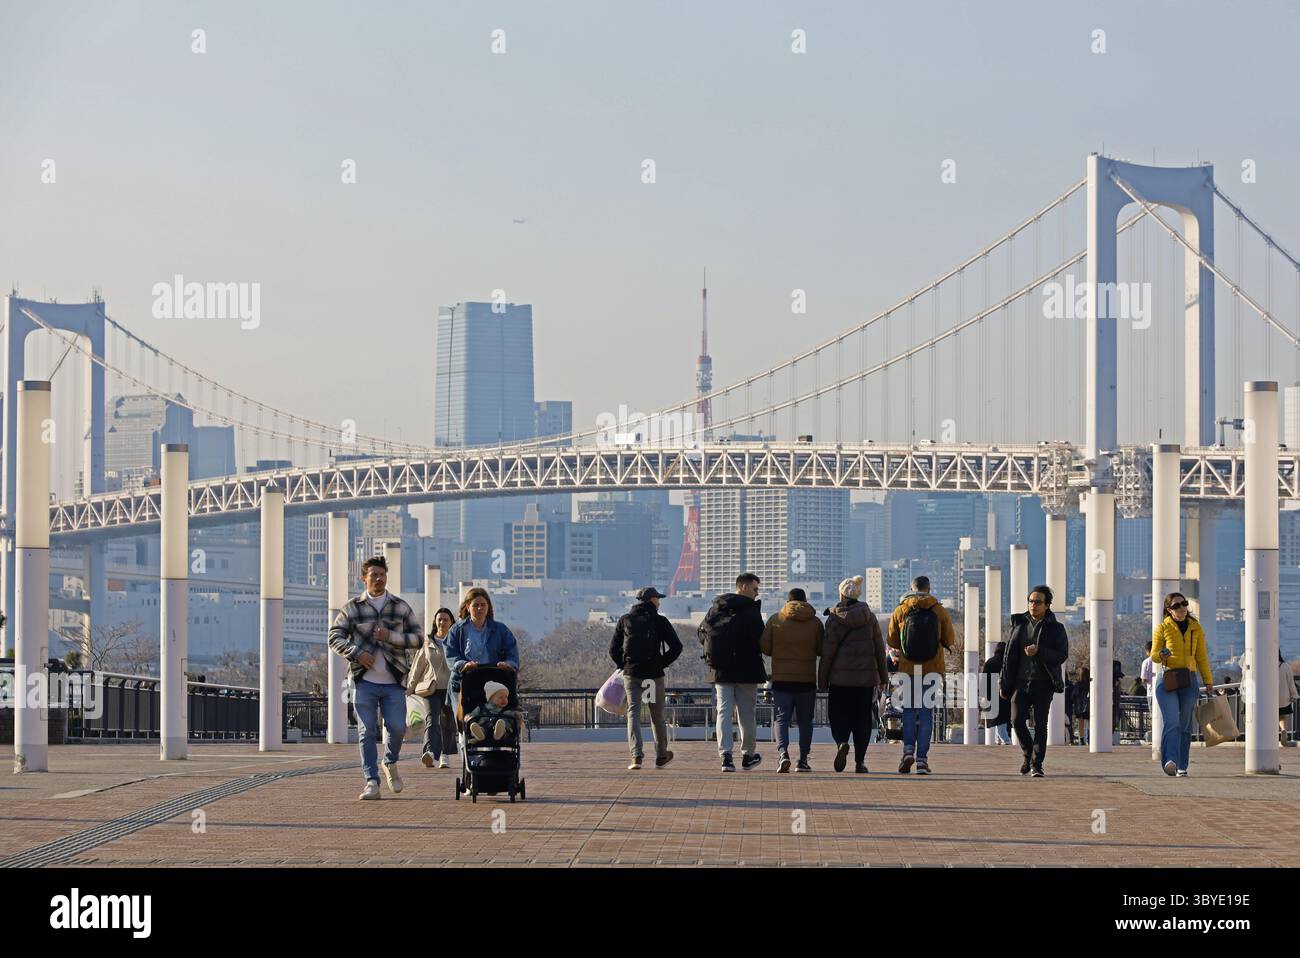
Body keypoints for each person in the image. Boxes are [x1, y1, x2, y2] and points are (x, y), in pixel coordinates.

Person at [327, 555, 424, 800]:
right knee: (366, 730)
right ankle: (371, 781)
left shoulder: (400, 607)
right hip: (363, 681)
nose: (379, 579)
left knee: (398, 727)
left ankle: (389, 761)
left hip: (394, 680)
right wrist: (357, 654)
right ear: (364, 578)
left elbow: (419, 639)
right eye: (374, 575)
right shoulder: (352, 608)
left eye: (382, 575)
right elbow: (334, 637)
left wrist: (389, 636)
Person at [818, 575, 888, 774]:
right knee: (863, 720)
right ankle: (860, 761)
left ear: (841, 593)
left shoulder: (834, 618)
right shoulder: (870, 617)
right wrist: (883, 678)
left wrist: (822, 681)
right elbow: (879, 650)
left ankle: (841, 742)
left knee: (838, 715)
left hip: (840, 681)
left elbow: (827, 653)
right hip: (865, 681)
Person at [887, 575, 957, 774]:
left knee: (909, 710)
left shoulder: (901, 609)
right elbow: (949, 638)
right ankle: (922, 761)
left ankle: (908, 750)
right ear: (929, 588)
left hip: (908, 669)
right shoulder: (938, 609)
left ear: (912, 588)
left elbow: (892, 641)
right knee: (926, 712)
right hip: (932, 669)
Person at [999, 584, 1069, 777]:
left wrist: (1040, 652)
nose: (1033, 605)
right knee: (1016, 720)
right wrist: (1004, 682)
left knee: (1040, 724)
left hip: (1043, 683)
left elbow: (1062, 655)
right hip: (1020, 682)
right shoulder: (1019, 624)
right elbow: (1008, 655)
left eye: (1038, 602)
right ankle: (1028, 754)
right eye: (1031, 601)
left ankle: (1037, 764)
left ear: (1047, 605)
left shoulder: (1056, 628)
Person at [699, 572, 767, 772]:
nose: (757, 593)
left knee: (723, 711)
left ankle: (726, 756)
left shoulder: (717, 607)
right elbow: (760, 640)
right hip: (747, 670)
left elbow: (702, 634)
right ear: (744, 587)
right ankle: (748, 755)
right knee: (747, 714)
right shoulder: (751, 611)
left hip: (721, 669)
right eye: (755, 589)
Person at [610, 586, 683, 770]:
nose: (659, 602)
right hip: (652, 676)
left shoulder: (625, 620)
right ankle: (661, 755)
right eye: (658, 599)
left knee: (633, 713)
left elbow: (613, 649)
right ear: (652, 600)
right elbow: (677, 647)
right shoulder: (659, 621)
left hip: (632, 674)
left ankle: (636, 756)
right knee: (656, 715)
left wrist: (624, 664)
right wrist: (661, 663)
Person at [1150, 591, 1213, 777]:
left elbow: (1201, 657)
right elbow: (1153, 655)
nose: (1182, 608)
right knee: (1172, 722)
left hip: (1189, 679)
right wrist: (1162, 654)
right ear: (1169, 610)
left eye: (1184, 603)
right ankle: (1170, 761)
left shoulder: (1196, 628)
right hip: (1168, 679)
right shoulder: (1162, 628)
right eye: (1177, 605)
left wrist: (1208, 681)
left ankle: (1182, 765)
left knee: (1185, 725)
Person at [761, 587, 824, 772]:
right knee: (806, 721)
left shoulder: (775, 619)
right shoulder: (815, 622)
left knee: (781, 719)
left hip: (781, 679)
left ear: (787, 601)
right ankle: (803, 760)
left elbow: (765, 647)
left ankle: (783, 754)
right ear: (805, 601)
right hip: (806, 680)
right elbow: (822, 649)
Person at [444, 587, 521, 702]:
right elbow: (450, 652)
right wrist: (463, 665)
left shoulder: (500, 629)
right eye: (475, 605)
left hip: (494, 678)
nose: (480, 608)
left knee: (505, 708)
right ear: (468, 607)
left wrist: (508, 664)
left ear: (488, 607)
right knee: (468, 715)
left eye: (483, 605)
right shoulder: (457, 630)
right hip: (465, 679)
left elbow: (512, 652)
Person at [408, 607, 456, 768]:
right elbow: (417, 668)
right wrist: (409, 689)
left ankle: (445, 755)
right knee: (432, 719)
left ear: (451, 622)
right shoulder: (427, 643)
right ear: (435, 622)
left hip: (450, 688)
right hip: (430, 689)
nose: (442, 622)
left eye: (446, 619)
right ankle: (429, 752)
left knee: (448, 722)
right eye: (439, 619)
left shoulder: (456, 641)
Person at [980, 641, 1012, 744]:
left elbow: (984, 678)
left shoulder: (990, 662)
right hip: (1004, 692)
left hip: (991, 692)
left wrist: (983, 694)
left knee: (997, 717)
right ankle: (1005, 739)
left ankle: (999, 739)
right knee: (1002, 717)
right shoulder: (1006, 662)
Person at [1074, 668, 1091, 746]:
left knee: (1081, 724)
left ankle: (1081, 739)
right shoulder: (1090, 683)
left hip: (1079, 706)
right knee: (1090, 723)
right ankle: (1090, 738)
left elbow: (1073, 695)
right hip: (1089, 706)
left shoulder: (1078, 684)